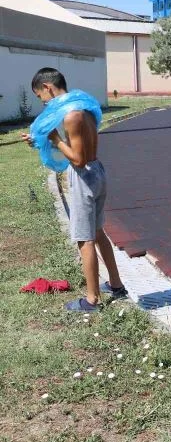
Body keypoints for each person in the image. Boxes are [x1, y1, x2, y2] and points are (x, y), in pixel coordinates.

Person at [22, 68, 128, 311]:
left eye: (41, 96)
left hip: (84, 177)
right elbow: (76, 149)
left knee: (85, 238)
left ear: (48, 87)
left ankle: (92, 300)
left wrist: (55, 140)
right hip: (97, 170)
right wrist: (43, 141)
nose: (43, 102)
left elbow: (77, 160)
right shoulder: (85, 109)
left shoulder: (71, 115)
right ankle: (116, 284)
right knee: (99, 232)